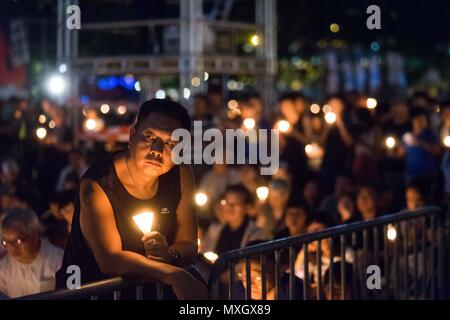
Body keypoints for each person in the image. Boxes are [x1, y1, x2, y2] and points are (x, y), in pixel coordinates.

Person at [55, 99, 208, 299]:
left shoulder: (181, 174)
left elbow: (188, 242)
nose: (157, 149)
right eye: (149, 136)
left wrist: (169, 255)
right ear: (132, 135)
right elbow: (110, 260)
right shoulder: (98, 184)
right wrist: (172, 273)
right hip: (89, 290)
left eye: (170, 142)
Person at [0, 208, 63, 298]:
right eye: (6, 242)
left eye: (18, 241)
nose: (12, 248)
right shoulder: (3, 269)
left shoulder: (59, 261)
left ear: (34, 235)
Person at [200, 185, 267, 254]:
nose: (229, 208)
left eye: (235, 204)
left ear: (247, 207)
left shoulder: (255, 234)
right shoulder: (214, 230)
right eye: (227, 203)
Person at [234, 241, 304, 300]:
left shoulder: (292, 288)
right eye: (244, 276)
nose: (250, 284)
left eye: (258, 277)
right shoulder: (239, 290)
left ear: (278, 271)